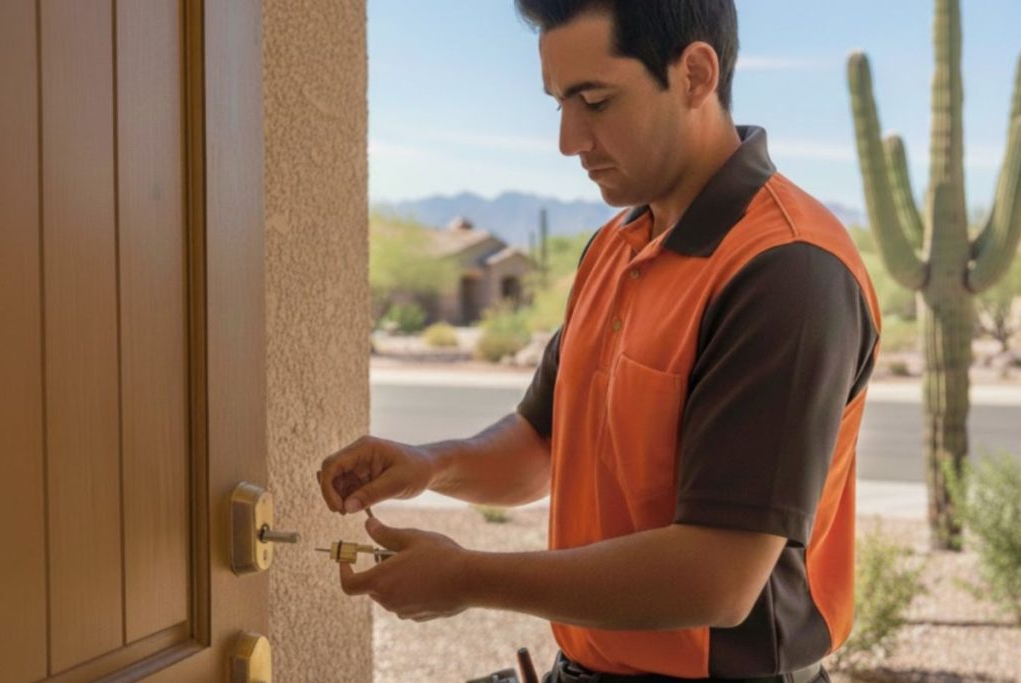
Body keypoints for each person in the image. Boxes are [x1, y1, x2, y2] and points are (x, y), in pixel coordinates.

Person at [318, 1, 880, 681]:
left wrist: (466, 576)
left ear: (696, 75)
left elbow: (720, 578)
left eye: (595, 100)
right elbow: (540, 448)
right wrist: (430, 464)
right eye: (559, 102)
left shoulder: (786, 269)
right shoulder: (616, 246)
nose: (569, 139)